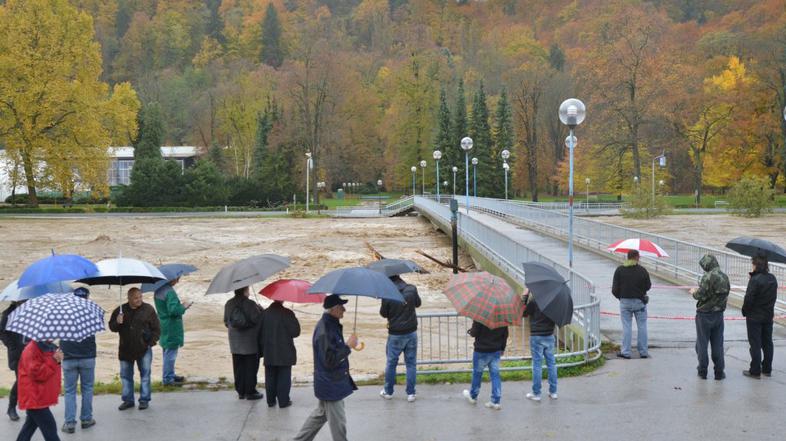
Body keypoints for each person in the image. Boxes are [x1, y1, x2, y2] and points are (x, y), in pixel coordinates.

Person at [293, 295, 358, 441]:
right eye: (341, 307)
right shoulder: (325, 330)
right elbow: (329, 360)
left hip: (330, 382)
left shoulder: (331, 325)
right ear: (334, 309)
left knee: (319, 415)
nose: (344, 310)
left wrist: (347, 346)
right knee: (339, 424)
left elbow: (332, 352)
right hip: (331, 383)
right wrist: (348, 346)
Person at [108, 287, 161, 410]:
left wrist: (150, 343)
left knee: (145, 375)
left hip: (144, 349)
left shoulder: (148, 309)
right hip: (125, 349)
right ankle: (128, 400)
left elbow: (157, 329)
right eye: (136, 298)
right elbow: (112, 327)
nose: (139, 300)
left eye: (140, 297)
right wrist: (117, 322)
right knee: (126, 376)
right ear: (129, 298)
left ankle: (144, 399)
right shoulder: (120, 310)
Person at [379, 274, 421, 402]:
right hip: (411, 332)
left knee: (391, 363)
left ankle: (388, 391)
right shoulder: (412, 289)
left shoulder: (387, 294)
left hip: (395, 334)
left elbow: (383, 313)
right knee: (411, 364)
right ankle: (411, 393)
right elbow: (418, 304)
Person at [60, 288, 97, 433]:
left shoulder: (62, 313)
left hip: (68, 358)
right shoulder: (92, 311)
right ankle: (86, 419)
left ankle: (69, 423)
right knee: (87, 389)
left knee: (69, 391)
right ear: (87, 297)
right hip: (87, 357)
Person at [689, 255, 730, 380]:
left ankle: (702, 371)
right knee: (718, 344)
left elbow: (700, 295)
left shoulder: (706, 277)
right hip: (719, 315)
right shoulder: (724, 276)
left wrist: (693, 292)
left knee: (702, 344)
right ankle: (719, 372)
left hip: (704, 315)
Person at [16, 339, 64, 441]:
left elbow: (48, 367)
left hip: (38, 396)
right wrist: (54, 360)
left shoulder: (45, 347)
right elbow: (38, 374)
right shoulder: (31, 349)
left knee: (29, 428)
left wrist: (57, 360)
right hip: (35, 397)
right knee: (50, 429)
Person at [224, 286, 264, 400]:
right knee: (251, 368)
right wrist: (261, 310)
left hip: (235, 343)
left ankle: (240, 391)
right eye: (248, 289)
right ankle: (250, 392)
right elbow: (258, 321)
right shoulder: (250, 304)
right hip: (250, 342)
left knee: (238, 367)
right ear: (245, 291)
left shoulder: (229, 303)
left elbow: (226, 322)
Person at [742, 254, 778, 379]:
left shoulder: (755, 280)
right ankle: (767, 369)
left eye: (753, 264)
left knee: (755, 344)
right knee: (768, 343)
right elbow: (773, 297)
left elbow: (749, 298)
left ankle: (755, 371)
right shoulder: (772, 278)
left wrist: (745, 311)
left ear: (756, 265)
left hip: (754, 317)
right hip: (768, 316)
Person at [612, 249, 652, 359]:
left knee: (627, 327)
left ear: (627, 257)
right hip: (640, 302)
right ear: (637, 257)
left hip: (625, 302)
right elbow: (648, 286)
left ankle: (626, 352)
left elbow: (614, 289)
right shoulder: (642, 270)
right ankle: (643, 352)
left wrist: (621, 297)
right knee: (642, 326)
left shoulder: (619, 270)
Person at [154, 277, 192, 386]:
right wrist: (184, 306)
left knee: (166, 351)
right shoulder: (169, 292)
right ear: (170, 279)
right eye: (177, 279)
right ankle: (168, 379)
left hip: (163, 324)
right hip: (171, 326)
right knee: (170, 353)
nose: (178, 281)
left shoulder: (158, 290)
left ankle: (170, 374)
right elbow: (173, 311)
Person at [262, 300, 300, 408]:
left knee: (270, 377)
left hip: (269, 351)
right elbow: (296, 332)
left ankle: (270, 401)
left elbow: (259, 333)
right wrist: (294, 318)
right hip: (285, 352)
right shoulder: (288, 313)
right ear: (282, 299)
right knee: (284, 377)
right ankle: (283, 402)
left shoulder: (264, 313)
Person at [462, 320, 507, 410]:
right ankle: (495, 401)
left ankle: (473, 396)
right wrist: (502, 348)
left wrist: (470, 331)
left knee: (477, 374)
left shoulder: (480, 317)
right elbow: (505, 335)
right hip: (496, 350)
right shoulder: (502, 318)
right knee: (495, 375)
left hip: (481, 351)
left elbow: (474, 333)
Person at [523, 290, 558, 401]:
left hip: (536, 336)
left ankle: (536, 393)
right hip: (549, 335)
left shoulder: (534, 301)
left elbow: (524, 313)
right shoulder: (554, 303)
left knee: (537, 365)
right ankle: (553, 392)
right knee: (551, 364)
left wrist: (525, 296)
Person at [1, 300, 25, 421]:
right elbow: (2, 333)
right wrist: (12, 346)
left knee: (34, 378)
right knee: (21, 380)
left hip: (31, 350)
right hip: (17, 353)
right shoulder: (8, 314)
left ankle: (34, 407)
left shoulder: (30, 309)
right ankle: (11, 407)